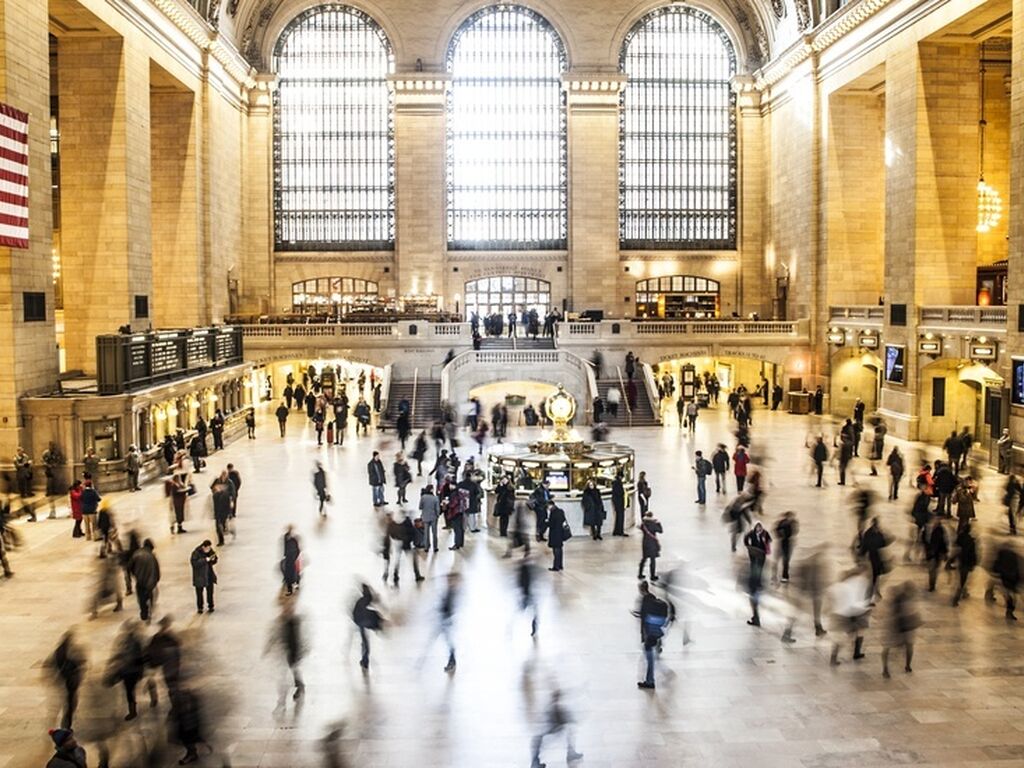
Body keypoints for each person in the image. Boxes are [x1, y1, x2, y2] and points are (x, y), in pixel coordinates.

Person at [105, 620, 147, 721]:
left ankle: (132, 711)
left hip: (131, 671)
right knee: (129, 691)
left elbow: (140, 657)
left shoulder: (134, 642)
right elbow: (118, 653)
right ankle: (132, 710)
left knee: (130, 691)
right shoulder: (126, 640)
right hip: (127, 670)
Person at [530, 689, 583, 767]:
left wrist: (568, 721)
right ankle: (535, 762)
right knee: (537, 739)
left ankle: (571, 754)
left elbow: (567, 719)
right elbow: (547, 720)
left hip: (557, 728)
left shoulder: (559, 708)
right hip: (552, 728)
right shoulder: (551, 708)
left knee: (570, 730)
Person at [634, 580, 670, 690]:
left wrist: (643, 636)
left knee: (649, 657)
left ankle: (650, 681)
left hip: (649, 633)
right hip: (656, 630)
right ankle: (649, 679)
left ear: (641, 589)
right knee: (650, 656)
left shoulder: (645, 601)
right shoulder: (652, 597)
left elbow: (644, 619)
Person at [49, 632, 85, 729]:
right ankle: (66, 726)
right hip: (69, 682)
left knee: (70, 704)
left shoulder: (59, 651)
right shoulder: (64, 653)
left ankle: (67, 723)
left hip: (67, 682)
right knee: (69, 705)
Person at [743, 522, 771, 626]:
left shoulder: (765, 534)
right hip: (754, 553)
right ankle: (756, 618)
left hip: (761, 554)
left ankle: (756, 619)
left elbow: (769, 540)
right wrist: (748, 546)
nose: (758, 529)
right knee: (754, 566)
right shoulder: (751, 533)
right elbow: (746, 538)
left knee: (754, 603)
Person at [352, 583, 383, 669]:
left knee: (364, 641)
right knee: (365, 642)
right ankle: (365, 660)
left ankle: (365, 660)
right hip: (362, 620)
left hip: (358, 620)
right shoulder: (367, 599)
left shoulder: (362, 600)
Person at [859, 517, 890, 602]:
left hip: (877, 557)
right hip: (872, 558)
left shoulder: (876, 533)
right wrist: (861, 555)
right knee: (873, 576)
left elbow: (883, 543)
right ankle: (870, 595)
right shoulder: (869, 534)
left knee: (876, 575)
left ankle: (875, 591)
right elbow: (865, 545)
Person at [129, 538, 160, 622]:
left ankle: (144, 613)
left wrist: (135, 575)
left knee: (141, 598)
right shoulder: (152, 556)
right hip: (150, 582)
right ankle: (149, 613)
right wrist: (156, 579)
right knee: (149, 598)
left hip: (140, 581)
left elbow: (130, 567)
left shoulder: (136, 554)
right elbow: (157, 569)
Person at [952, 521, 978, 607]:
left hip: (960, 560)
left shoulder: (960, 537)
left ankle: (963, 593)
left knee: (959, 579)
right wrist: (974, 563)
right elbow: (973, 553)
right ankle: (957, 598)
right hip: (966, 563)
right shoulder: (971, 540)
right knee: (962, 580)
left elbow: (956, 548)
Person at [190, 540, 218, 614]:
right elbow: (194, 563)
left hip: (209, 575)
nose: (209, 550)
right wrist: (205, 560)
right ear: (203, 547)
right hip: (199, 576)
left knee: (210, 592)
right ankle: (200, 607)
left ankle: (211, 606)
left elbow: (215, 559)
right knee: (199, 593)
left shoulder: (210, 551)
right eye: (207, 548)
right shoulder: (196, 553)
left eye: (209, 548)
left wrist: (213, 559)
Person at [210, 472, 235, 546]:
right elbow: (211, 487)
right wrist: (216, 489)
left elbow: (232, 493)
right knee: (218, 524)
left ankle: (225, 528)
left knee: (223, 520)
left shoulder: (229, 482)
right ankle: (221, 540)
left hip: (225, 507)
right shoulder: (217, 481)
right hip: (217, 508)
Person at [774, 511, 798, 583]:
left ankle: (785, 576)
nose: (789, 518)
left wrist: (784, 535)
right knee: (778, 559)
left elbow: (794, 532)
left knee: (786, 560)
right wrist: (780, 535)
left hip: (788, 543)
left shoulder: (793, 523)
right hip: (782, 542)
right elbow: (776, 530)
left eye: (790, 517)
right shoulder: (782, 522)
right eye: (788, 516)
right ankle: (776, 575)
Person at [638, 511, 662, 581]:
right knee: (652, 560)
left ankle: (640, 573)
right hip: (652, 543)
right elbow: (660, 531)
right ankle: (652, 575)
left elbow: (640, 527)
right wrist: (658, 523)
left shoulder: (643, 524)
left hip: (645, 542)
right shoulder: (653, 523)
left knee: (644, 558)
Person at [547, 502, 569, 572]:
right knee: (560, 549)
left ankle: (556, 566)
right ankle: (560, 565)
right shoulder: (561, 511)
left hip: (554, 534)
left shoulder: (553, 513)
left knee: (556, 551)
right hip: (560, 533)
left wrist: (546, 522)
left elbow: (551, 524)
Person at [419, 484, 441, 552]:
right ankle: (435, 547)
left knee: (426, 533)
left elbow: (420, 507)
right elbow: (438, 509)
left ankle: (426, 547)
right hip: (433, 517)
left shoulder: (423, 497)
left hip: (425, 517)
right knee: (434, 533)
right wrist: (437, 515)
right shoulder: (435, 498)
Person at [282, 526, 301, 596]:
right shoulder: (285, 537)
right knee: (289, 574)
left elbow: (298, 549)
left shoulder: (294, 539)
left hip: (293, 559)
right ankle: (289, 589)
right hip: (288, 559)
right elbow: (284, 547)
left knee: (295, 572)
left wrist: (296, 557)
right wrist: (284, 555)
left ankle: (296, 583)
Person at [611, 471, 626, 536]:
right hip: (619, 502)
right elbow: (620, 492)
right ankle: (620, 531)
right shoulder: (618, 483)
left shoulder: (615, 482)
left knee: (618, 517)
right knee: (620, 517)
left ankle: (616, 531)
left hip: (616, 502)